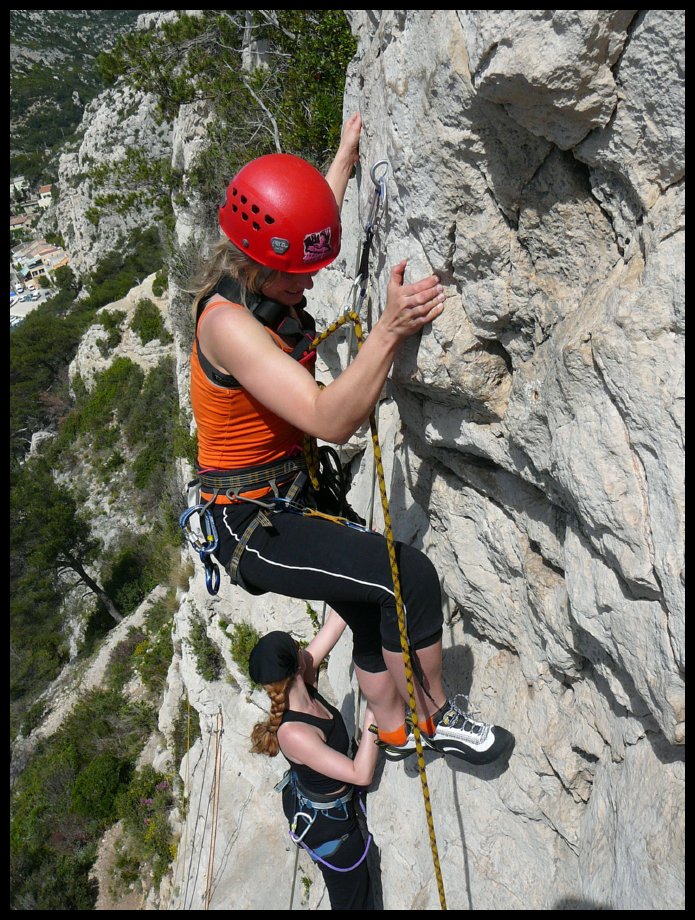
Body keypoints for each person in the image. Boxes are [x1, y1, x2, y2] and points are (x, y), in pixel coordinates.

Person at [189, 112, 513, 765]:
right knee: (408, 578)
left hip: (288, 495)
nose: (308, 284)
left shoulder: (262, 274)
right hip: (251, 524)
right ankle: (438, 716)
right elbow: (330, 420)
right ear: (256, 265)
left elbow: (299, 231)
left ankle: (393, 733)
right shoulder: (227, 326)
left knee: (367, 611)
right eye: (296, 276)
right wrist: (389, 331)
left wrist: (341, 158)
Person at [249, 613, 379, 910]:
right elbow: (361, 773)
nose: (305, 650)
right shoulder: (293, 732)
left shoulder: (302, 679)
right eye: (299, 648)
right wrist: (376, 704)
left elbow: (336, 623)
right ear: (296, 663)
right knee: (355, 903)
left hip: (332, 806)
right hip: (334, 835)